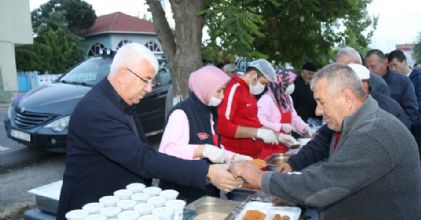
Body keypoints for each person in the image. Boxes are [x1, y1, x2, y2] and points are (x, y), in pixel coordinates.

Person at [57, 43, 242, 218]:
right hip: (92, 209)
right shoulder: (96, 110)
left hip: (121, 205)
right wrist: (206, 172)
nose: (149, 88)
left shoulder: (120, 101)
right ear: (122, 74)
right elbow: (141, 158)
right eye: (145, 80)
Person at [230, 63, 421, 219]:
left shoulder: (372, 133)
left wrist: (259, 178)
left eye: (321, 102)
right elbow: (337, 172)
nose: (318, 111)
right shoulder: (362, 123)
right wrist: (297, 195)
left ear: (347, 97)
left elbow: (325, 184)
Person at [278, 63, 411, 173]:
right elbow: (321, 142)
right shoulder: (346, 118)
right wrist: (293, 164)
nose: (318, 112)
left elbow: (339, 178)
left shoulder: (377, 123)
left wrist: (264, 180)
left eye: (323, 102)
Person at [158, 66, 252, 202]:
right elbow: (167, 151)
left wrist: (234, 157)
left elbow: (215, 146)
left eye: (223, 91)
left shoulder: (210, 113)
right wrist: (203, 150)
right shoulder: (181, 113)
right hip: (181, 195)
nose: (222, 96)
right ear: (205, 87)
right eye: (219, 91)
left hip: (206, 191)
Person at [388, 49, 421, 204]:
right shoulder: (393, 79)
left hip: (416, 126)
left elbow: (419, 105)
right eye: (390, 66)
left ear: (404, 62)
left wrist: (402, 119)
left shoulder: (419, 79)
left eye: (395, 65)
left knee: (420, 162)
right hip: (399, 126)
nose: (393, 69)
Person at [216, 59, 278, 158]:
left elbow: (252, 123)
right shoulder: (234, 88)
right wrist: (257, 133)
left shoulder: (250, 92)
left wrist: (278, 135)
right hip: (236, 155)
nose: (264, 87)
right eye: (263, 83)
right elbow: (223, 126)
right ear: (253, 74)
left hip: (252, 155)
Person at [257, 69, 310, 159]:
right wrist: (280, 126)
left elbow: (294, 117)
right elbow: (259, 122)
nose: (293, 86)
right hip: (270, 146)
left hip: (285, 145)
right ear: (281, 82)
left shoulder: (287, 98)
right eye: (290, 83)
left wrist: (305, 127)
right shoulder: (266, 99)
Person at [365, 49, 419, 125]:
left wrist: (397, 129)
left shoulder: (402, 81)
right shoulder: (366, 83)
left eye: (372, 66)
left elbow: (411, 111)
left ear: (385, 63)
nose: (369, 70)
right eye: (367, 67)